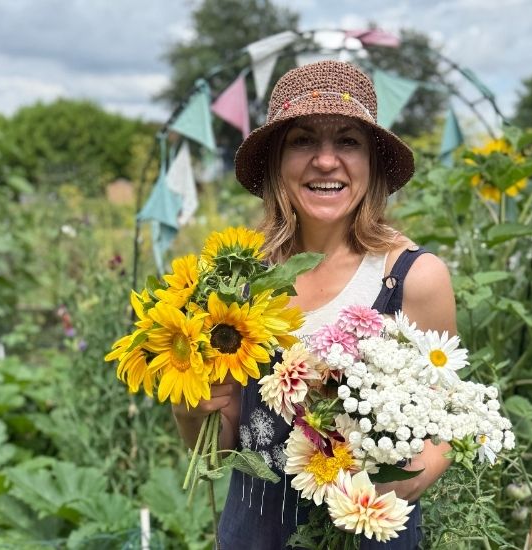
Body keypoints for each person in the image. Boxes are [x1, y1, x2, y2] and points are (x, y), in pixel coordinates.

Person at [173, 60, 457, 549]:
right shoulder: (239, 280)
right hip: (256, 531)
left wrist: (416, 473)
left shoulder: (413, 277)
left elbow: (448, 418)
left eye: (347, 141)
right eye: (303, 140)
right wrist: (189, 411)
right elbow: (227, 445)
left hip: (369, 531)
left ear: (371, 162)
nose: (326, 162)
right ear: (276, 163)